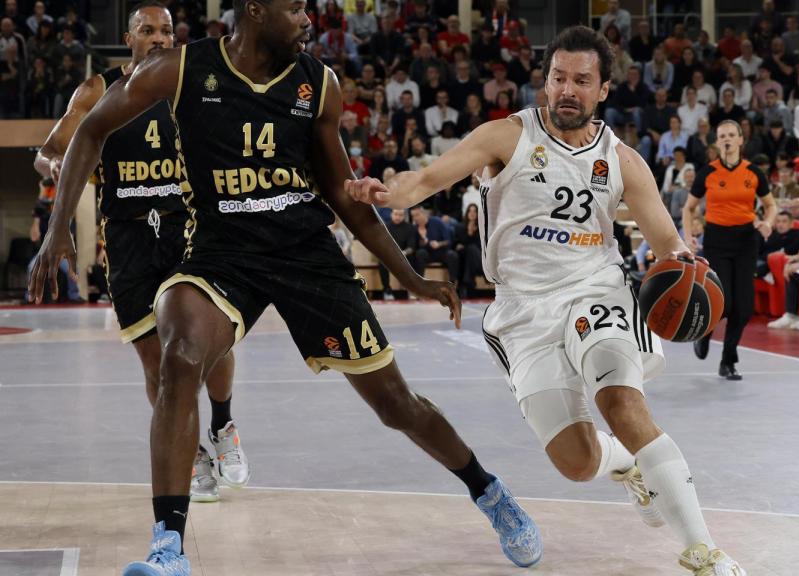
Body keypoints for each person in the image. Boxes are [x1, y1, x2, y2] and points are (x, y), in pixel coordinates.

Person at [28, 0, 542, 572]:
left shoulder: (317, 84)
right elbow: (92, 128)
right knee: (178, 354)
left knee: (396, 405)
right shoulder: (180, 69)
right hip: (223, 252)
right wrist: (56, 229)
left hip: (305, 254)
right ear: (254, 10)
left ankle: (491, 492)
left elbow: (344, 194)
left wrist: (412, 277)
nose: (307, 19)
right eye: (295, 7)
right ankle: (168, 546)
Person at [348, 25, 747, 576]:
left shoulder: (623, 160)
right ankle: (628, 462)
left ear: (603, 89)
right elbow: (425, 180)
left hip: (596, 291)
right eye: (558, 76)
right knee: (577, 462)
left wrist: (689, 272)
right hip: (522, 310)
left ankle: (702, 549)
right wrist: (387, 192)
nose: (567, 88)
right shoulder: (505, 137)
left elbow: (669, 245)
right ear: (546, 79)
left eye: (581, 80)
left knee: (620, 402)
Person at [32, 0, 248, 504]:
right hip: (128, 237)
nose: (159, 38)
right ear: (129, 39)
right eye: (147, 30)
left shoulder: (194, 84)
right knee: (155, 360)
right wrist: (56, 171)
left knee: (212, 337)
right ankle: (191, 455)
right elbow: (49, 152)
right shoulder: (97, 90)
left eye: (166, 30)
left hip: (188, 230)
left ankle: (223, 423)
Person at [683, 119, 777, 380]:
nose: (726, 139)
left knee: (744, 308)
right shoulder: (708, 172)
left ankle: (728, 361)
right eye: (721, 135)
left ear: (740, 140)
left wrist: (767, 223)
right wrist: (689, 237)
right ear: (717, 142)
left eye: (730, 135)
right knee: (723, 303)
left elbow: (771, 205)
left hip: (746, 240)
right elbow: (688, 208)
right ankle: (704, 333)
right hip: (717, 239)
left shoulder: (754, 172)